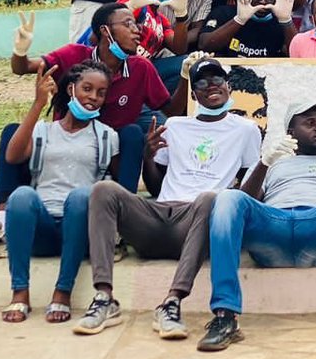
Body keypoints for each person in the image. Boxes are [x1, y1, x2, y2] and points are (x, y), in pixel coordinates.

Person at [74, 58, 262, 339]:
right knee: (103, 190)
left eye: (217, 79)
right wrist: (148, 156)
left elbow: (249, 187)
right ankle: (104, 297)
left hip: (196, 222)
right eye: (201, 82)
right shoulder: (175, 125)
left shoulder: (246, 130)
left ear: (228, 86)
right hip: (158, 216)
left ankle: (172, 302)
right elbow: (154, 184)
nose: (211, 85)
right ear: (194, 94)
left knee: (211, 198)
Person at [0, 4, 167, 263]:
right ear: (106, 31)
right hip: (60, 148)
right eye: (128, 24)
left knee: (131, 134)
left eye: (136, 24)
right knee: (12, 132)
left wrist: (188, 77)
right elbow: (23, 67)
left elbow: (168, 107)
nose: (137, 30)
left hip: (107, 154)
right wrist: (20, 50)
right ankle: (1, 224)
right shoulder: (74, 55)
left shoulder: (141, 68)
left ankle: (118, 227)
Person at [203, 98, 316, 352]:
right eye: (310, 123)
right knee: (228, 197)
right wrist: (265, 163)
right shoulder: (272, 162)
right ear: (291, 132)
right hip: (273, 229)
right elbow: (246, 201)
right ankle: (225, 317)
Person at [0, 62, 119, 324]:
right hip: (41, 227)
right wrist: (38, 104)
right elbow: (12, 155)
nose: (93, 97)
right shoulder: (44, 131)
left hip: (78, 229)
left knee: (81, 196)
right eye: (87, 89)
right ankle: (20, 292)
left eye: (100, 92)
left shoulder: (107, 136)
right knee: (21, 195)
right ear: (71, 89)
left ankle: (62, 292)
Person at [199, 0, 296, 58]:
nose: (263, 1)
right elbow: (204, 45)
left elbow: (297, 54)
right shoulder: (224, 13)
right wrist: (239, 20)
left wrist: (286, 20)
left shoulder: (280, 23)